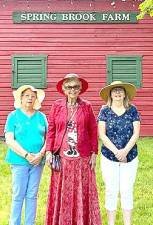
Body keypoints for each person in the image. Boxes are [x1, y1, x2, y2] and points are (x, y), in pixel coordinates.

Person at [45, 73, 102, 225]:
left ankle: (81, 220)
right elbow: (51, 130)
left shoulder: (87, 106)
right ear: (64, 89)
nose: (73, 89)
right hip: (62, 157)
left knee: (81, 190)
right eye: (69, 87)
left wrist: (94, 153)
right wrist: (49, 151)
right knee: (62, 190)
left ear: (80, 89)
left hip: (82, 156)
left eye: (76, 86)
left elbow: (92, 130)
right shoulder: (56, 106)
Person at [97, 81, 140, 225]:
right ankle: (111, 223)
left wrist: (125, 151)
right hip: (109, 157)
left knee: (127, 189)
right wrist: (117, 152)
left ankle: (128, 223)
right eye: (114, 90)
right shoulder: (104, 110)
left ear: (124, 94)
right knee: (111, 189)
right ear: (110, 94)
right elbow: (102, 134)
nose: (117, 93)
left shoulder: (132, 110)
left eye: (120, 90)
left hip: (130, 156)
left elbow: (136, 134)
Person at [4, 85, 48, 225]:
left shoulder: (41, 117)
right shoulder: (13, 116)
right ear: (21, 98)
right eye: (26, 95)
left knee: (32, 195)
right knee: (18, 195)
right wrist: (26, 155)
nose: (30, 98)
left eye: (32, 96)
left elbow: (49, 138)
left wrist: (40, 154)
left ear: (36, 99)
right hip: (19, 161)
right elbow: (9, 140)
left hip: (37, 162)